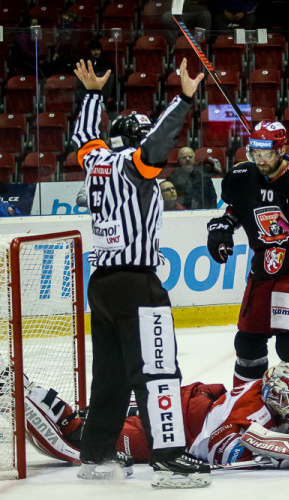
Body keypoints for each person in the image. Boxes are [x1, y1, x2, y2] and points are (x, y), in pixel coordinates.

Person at [71, 58, 211, 489]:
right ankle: (168, 460)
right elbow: (158, 143)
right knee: (158, 372)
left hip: (103, 286)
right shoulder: (135, 169)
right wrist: (184, 98)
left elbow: (84, 135)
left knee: (111, 376)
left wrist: (93, 94)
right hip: (137, 285)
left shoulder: (96, 162)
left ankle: (96, 456)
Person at [206, 121, 289, 440]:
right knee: (247, 344)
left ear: (281, 150)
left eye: (266, 154)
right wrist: (223, 226)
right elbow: (236, 208)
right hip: (263, 268)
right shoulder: (242, 175)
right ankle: (243, 410)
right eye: (255, 152)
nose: (260, 160)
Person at [0, 354, 289, 467]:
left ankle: (18, 384)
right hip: (174, 427)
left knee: (92, 421)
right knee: (88, 444)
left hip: (181, 405)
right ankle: (12, 389)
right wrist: (273, 449)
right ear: (272, 393)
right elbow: (215, 450)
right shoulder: (253, 410)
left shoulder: (266, 395)